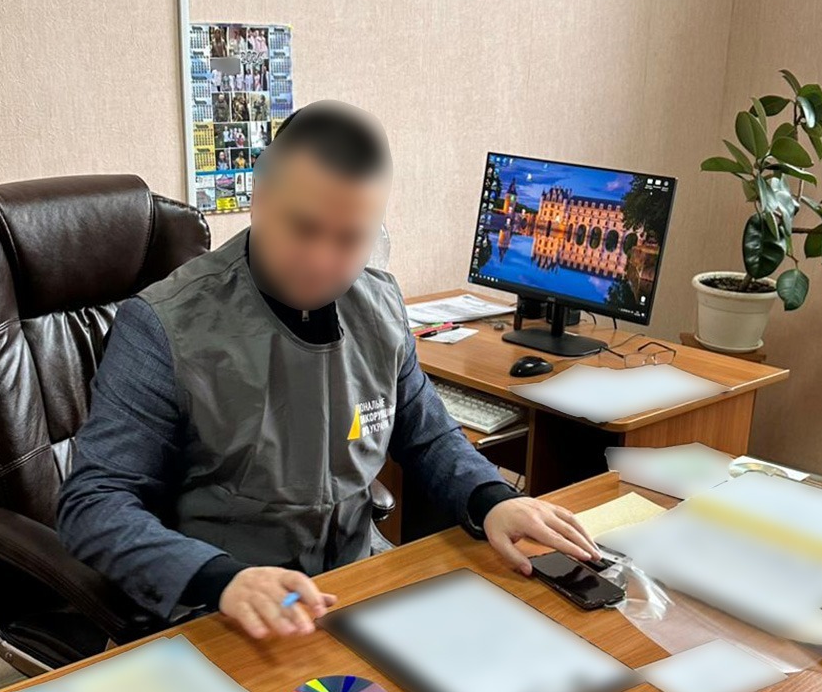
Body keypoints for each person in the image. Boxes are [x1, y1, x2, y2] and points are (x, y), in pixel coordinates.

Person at [56, 101, 600, 642]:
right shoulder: (162, 325)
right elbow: (95, 503)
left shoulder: (380, 306)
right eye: (304, 227)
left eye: (349, 238)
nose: (322, 261)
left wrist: (494, 499)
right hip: (223, 607)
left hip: (352, 582)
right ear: (260, 198)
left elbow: (428, 435)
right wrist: (221, 579)